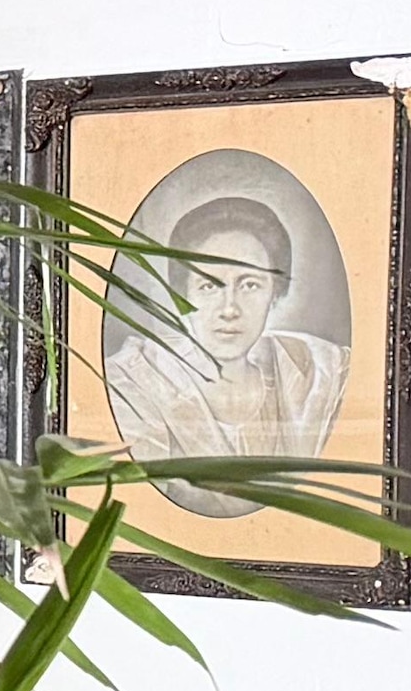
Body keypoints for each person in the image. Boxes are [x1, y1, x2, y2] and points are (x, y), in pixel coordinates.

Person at [101, 188, 344, 493]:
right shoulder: (137, 380)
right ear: (183, 295)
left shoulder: (318, 372)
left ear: (274, 293)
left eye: (250, 285)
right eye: (209, 286)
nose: (229, 309)